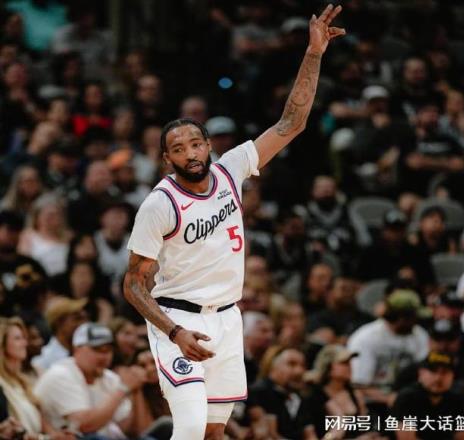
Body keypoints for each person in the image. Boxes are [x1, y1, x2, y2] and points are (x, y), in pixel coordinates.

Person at [123, 5, 346, 439]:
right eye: (178, 149)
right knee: (189, 428)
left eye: (195, 144)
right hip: (178, 318)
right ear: (166, 158)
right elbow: (133, 284)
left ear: (208, 145)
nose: (190, 153)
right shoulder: (159, 204)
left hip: (227, 319)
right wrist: (174, 331)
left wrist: (314, 53)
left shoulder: (231, 169)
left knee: (213, 433)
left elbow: (292, 122)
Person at [34, 322, 146, 439]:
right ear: (77, 349)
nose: (104, 356)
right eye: (97, 349)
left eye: (108, 350)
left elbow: (131, 429)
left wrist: (135, 388)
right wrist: (123, 389)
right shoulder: (60, 374)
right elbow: (85, 426)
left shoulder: (109, 378)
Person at [391, 351, 464, 440]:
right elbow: (407, 438)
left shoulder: (458, 398)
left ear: (452, 376)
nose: (438, 378)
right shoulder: (407, 397)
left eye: (444, 372)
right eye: (433, 371)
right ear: (421, 373)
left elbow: (463, 436)